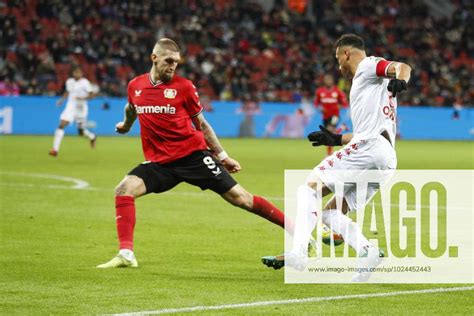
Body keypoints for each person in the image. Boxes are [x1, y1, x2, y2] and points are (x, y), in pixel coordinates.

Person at [97, 38, 292, 268]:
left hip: (193, 156)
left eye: (177, 62)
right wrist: (126, 125)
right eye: (169, 61)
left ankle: (298, 232)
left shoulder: (184, 87)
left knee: (242, 199)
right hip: (160, 163)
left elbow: (202, 124)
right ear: (154, 58)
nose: (173, 66)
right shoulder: (136, 86)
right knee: (124, 189)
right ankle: (126, 254)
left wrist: (223, 156)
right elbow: (131, 108)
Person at [262, 34, 411, 282]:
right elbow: (368, 132)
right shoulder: (372, 85)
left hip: (370, 148)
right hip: (385, 157)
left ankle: (298, 253)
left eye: (337, 60)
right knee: (331, 214)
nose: (338, 67)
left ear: (345, 54)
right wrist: (335, 139)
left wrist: (402, 80)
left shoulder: (366, 65)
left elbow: (402, 67)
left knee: (309, 189)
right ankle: (368, 251)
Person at [49, 67, 97, 156]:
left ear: (82, 74)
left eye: (79, 73)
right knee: (62, 124)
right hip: (71, 107)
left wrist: (83, 98)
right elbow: (67, 92)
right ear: (73, 73)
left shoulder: (85, 82)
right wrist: (62, 100)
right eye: (75, 72)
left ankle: (92, 137)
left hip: (81, 108)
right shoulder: (69, 81)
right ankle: (55, 150)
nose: (77, 74)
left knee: (81, 132)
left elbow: (92, 95)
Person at [313, 74, 348, 156]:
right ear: (324, 81)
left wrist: (338, 106)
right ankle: (342, 127)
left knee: (329, 131)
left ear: (332, 81)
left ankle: (329, 154)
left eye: (329, 80)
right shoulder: (319, 91)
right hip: (325, 116)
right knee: (328, 133)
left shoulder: (337, 91)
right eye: (326, 80)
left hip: (335, 115)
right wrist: (320, 108)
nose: (328, 81)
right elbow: (316, 104)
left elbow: (344, 103)